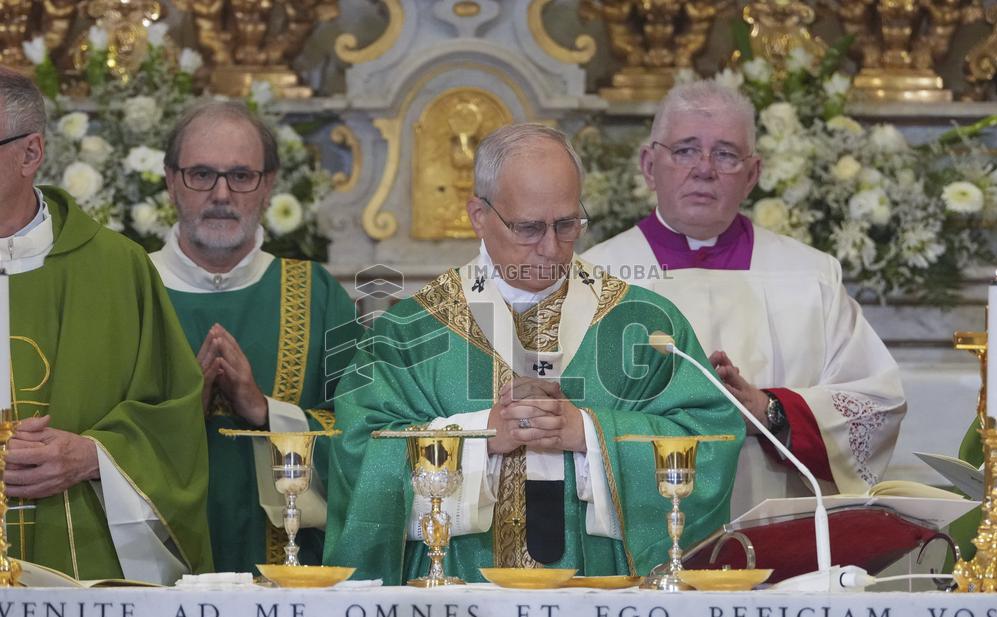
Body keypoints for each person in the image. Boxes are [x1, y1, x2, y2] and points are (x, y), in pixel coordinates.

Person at [325, 123, 744, 583]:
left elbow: (710, 440)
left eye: (567, 224)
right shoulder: (409, 332)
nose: (550, 247)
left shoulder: (645, 325)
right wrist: (480, 435)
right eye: (528, 227)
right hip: (455, 607)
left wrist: (590, 434)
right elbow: (357, 452)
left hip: (603, 605)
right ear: (479, 215)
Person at [584, 80, 906, 516]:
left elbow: (877, 403)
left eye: (726, 154)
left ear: (753, 174)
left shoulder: (810, 276)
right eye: (685, 150)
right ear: (648, 164)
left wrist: (771, 410)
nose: (704, 169)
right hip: (644, 531)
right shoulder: (593, 278)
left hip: (782, 532)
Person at [0, 66, 211, 583]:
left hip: (86, 570)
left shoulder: (117, 269)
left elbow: (175, 419)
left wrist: (95, 455)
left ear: (31, 153)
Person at [150, 101, 361, 573]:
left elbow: (365, 439)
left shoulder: (318, 295)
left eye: (242, 176)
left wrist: (266, 412)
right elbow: (88, 436)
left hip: (293, 580)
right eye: (201, 174)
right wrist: (187, 408)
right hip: (149, 585)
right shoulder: (127, 287)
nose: (222, 194)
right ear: (169, 181)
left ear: (268, 185)